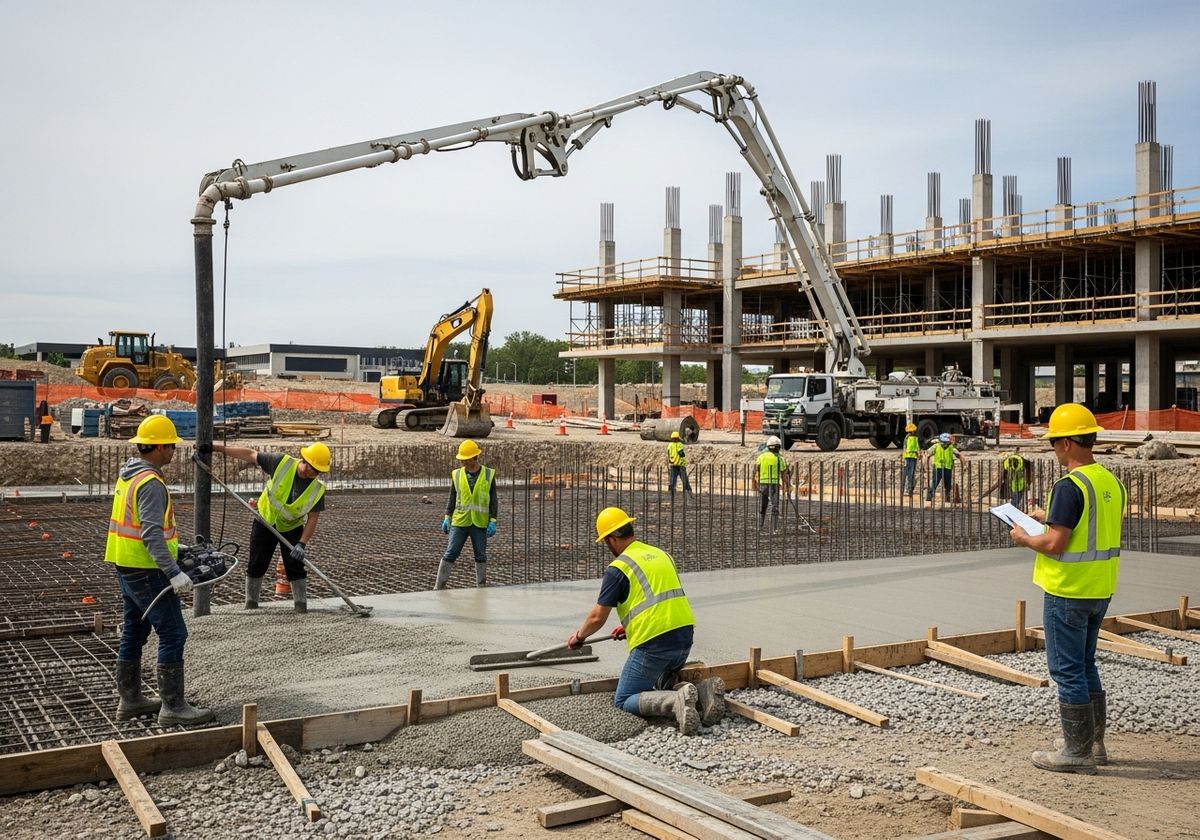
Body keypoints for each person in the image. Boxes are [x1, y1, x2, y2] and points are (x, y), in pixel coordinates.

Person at [1008, 403, 1124, 774]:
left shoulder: (1070, 485)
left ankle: (1076, 753)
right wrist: (1049, 517)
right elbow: (1087, 527)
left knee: (1067, 670)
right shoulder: (1108, 481)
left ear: (1070, 443)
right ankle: (1093, 743)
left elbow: (1056, 544)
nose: (1054, 448)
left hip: (1067, 591)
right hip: (1099, 589)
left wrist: (1025, 537)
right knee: (1086, 664)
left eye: (1056, 442)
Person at [566, 507, 724, 734]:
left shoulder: (619, 568)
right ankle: (703, 691)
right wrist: (630, 625)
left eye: (606, 542)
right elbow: (660, 602)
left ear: (611, 539)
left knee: (624, 698)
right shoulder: (661, 554)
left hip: (655, 646)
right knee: (658, 683)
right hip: (684, 639)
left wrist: (579, 637)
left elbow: (597, 617)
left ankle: (674, 702)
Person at [106, 415, 214, 727]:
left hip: (126, 564)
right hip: (147, 569)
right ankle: (173, 707)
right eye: (170, 446)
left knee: (134, 630)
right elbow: (151, 533)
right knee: (173, 632)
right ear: (156, 448)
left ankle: (131, 700)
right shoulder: (151, 483)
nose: (173, 451)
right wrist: (173, 571)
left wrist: (173, 549)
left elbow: (139, 526)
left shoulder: (129, 476)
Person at [203, 440, 329, 613]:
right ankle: (251, 604)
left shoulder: (317, 489)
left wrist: (302, 543)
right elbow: (250, 454)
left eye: (319, 472)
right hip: (264, 521)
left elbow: (313, 518)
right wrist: (216, 448)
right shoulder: (281, 463)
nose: (316, 474)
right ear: (305, 461)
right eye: (315, 469)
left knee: (295, 566)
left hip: (291, 528)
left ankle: (301, 606)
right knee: (257, 562)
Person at [436, 439, 497, 589]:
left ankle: (481, 586)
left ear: (473, 458)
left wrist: (493, 520)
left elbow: (493, 499)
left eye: (464, 459)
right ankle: (439, 587)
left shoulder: (488, 474)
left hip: (479, 522)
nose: (462, 462)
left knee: (480, 555)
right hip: (460, 521)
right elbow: (452, 497)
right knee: (451, 552)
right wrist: (447, 517)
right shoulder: (457, 474)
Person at [752, 436, 789, 530]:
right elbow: (784, 474)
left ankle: (760, 526)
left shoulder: (761, 457)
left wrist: (754, 484)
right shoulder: (780, 459)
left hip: (763, 485)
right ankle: (774, 528)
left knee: (763, 505)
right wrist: (787, 485)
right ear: (778, 447)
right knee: (775, 506)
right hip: (774, 485)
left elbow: (755, 471)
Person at [924, 432, 965, 503]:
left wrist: (964, 465)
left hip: (948, 468)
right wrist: (926, 466)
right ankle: (929, 498)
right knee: (934, 483)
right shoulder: (936, 446)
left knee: (948, 485)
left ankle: (947, 499)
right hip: (938, 467)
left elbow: (959, 455)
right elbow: (927, 455)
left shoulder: (951, 448)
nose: (945, 444)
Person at [666, 430, 693, 499]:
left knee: (673, 478)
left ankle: (671, 490)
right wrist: (684, 460)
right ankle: (688, 490)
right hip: (680, 464)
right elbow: (681, 454)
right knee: (684, 478)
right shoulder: (679, 445)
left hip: (673, 464)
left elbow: (668, 454)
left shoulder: (669, 445)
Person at [900, 422, 920, 495]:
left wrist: (918, 453)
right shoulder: (908, 438)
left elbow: (917, 447)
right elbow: (906, 448)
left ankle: (909, 489)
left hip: (912, 457)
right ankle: (908, 489)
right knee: (909, 474)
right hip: (909, 457)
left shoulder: (913, 438)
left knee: (911, 473)